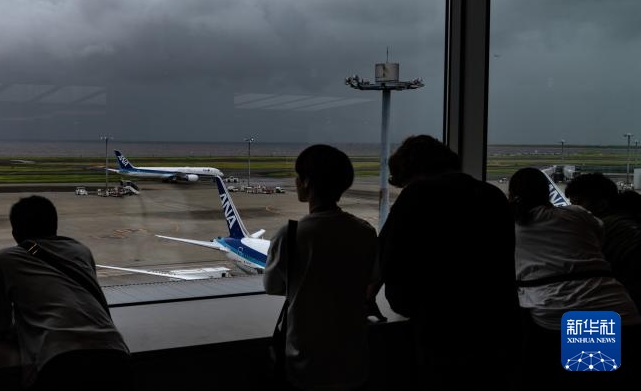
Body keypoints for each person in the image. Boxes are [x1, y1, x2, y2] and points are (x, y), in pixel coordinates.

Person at [378, 134, 518, 390]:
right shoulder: (492, 194)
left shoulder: (418, 193)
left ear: (413, 171)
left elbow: (387, 256)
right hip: (496, 322)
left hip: (441, 326)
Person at [509, 167, 640, 388]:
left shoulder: (512, 223)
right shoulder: (577, 215)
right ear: (547, 192)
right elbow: (597, 239)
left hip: (570, 313)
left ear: (512, 195)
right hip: (618, 307)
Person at [264, 144, 377, 391]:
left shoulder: (290, 234)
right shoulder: (365, 231)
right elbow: (370, 279)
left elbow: (273, 287)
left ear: (306, 182)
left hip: (306, 361)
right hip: (354, 359)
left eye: (298, 176)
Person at [0, 195, 130, 390]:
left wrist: (26, 326)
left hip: (59, 358)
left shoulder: (6, 259)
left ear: (15, 232)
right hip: (115, 352)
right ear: (55, 226)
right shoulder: (81, 251)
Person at [565, 172, 641, 307]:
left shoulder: (604, 228)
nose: (572, 210)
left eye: (578, 203)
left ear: (601, 205)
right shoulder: (627, 221)